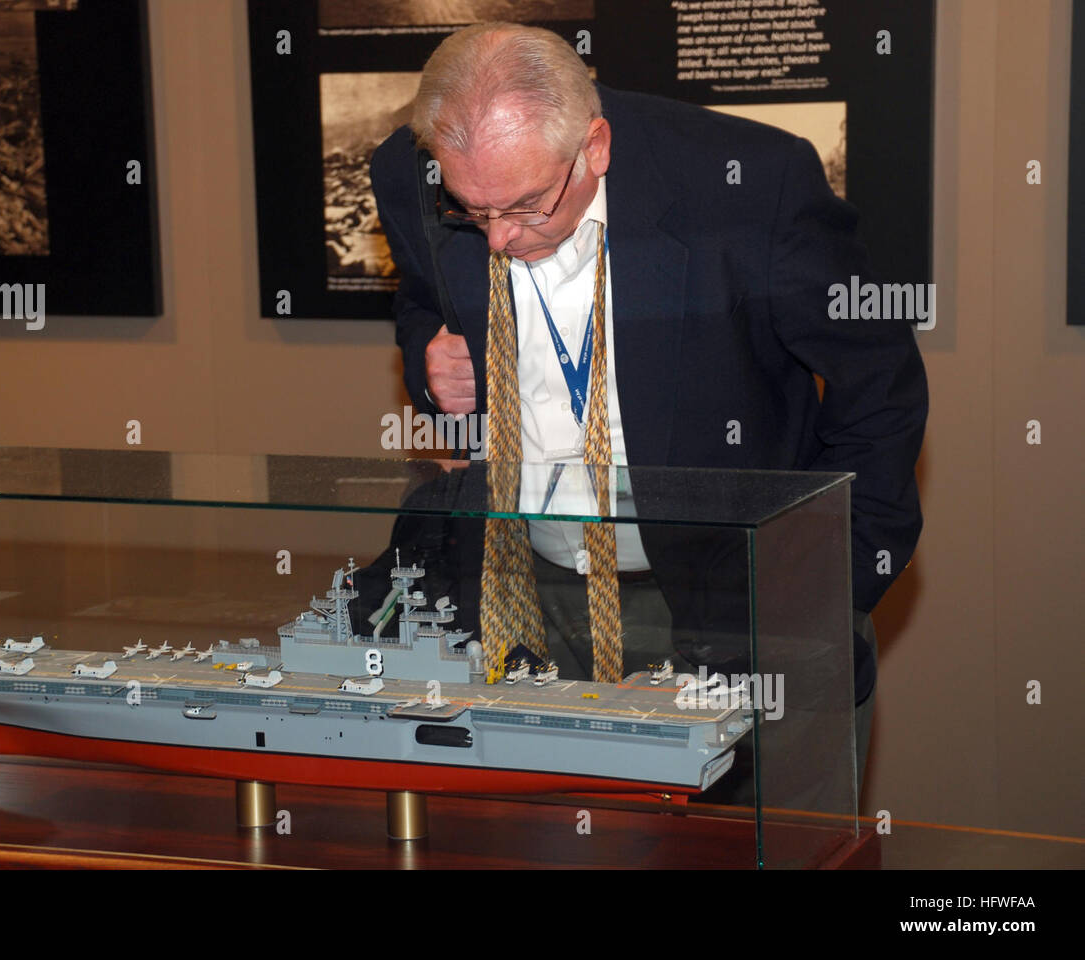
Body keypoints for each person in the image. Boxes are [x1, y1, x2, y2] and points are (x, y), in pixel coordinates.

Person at [369, 22, 927, 807]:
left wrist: (824, 589)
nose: (497, 238)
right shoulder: (407, 171)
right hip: (526, 591)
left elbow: (881, 384)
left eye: (528, 205)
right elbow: (426, 299)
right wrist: (430, 355)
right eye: (471, 210)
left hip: (725, 603)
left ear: (594, 147)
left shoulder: (749, 184)